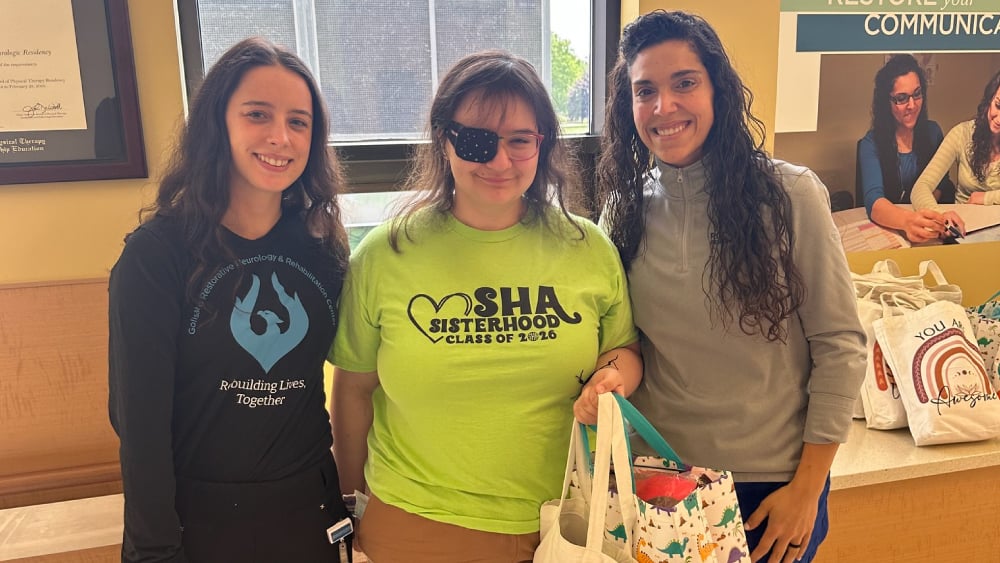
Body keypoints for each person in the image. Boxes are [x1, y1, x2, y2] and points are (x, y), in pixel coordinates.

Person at [330, 50, 641, 562]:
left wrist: (613, 377)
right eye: (476, 141)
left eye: (520, 141)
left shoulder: (587, 248)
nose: (500, 161)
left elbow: (624, 349)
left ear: (543, 143)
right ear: (444, 141)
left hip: (567, 523)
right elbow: (355, 388)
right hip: (416, 524)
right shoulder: (385, 256)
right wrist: (349, 502)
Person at [597, 11, 866, 563]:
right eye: (645, 90)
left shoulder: (791, 195)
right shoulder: (621, 211)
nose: (663, 107)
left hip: (771, 489)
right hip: (661, 485)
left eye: (684, 83)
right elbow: (626, 345)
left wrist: (808, 490)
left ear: (718, 89)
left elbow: (841, 346)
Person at [108, 37, 353, 563]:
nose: (280, 137)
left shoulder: (323, 248)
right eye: (257, 115)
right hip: (197, 523)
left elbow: (318, 390)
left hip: (306, 515)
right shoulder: (155, 257)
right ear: (217, 124)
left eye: (299, 121)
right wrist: (155, 549)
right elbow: (139, 426)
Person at [857, 54, 955, 243]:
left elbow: (942, 184)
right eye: (901, 98)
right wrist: (907, 221)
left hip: (927, 230)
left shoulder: (933, 132)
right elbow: (874, 201)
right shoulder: (870, 144)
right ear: (886, 102)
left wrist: (927, 214)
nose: (912, 105)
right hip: (891, 231)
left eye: (917, 94)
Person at [911, 68, 1000, 233]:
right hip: (965, 229)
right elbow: (920, 188)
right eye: (998, 105)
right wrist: (940, 216)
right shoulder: (962, 134)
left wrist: (986, 198)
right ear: (990, 100)